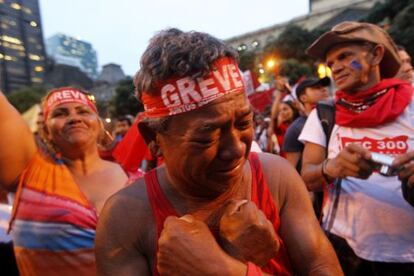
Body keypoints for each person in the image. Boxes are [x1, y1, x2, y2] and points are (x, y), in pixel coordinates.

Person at [95, 28, 342, 276]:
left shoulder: (276, 177)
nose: (236, 149)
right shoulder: (126, 218)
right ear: (154, 138)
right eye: (206, 136)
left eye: (244, 123)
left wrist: (224, 269)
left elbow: (323, 268)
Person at [299, 21, 414, 275]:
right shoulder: (324, 114)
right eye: (330, 63)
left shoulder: (411, 105)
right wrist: (333, 167)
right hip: (347, 252)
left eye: (345, 56)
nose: (336, 68)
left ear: (376, 55)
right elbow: (306, 177)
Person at [0, 87, 128, 275]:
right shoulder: (31, 174)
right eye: (60, 113)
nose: (74, 118)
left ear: (99, 124)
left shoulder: (137, 178)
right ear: (46, 130)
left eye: (83, 111)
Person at [282, 77, 331, 170]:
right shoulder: (295, 129)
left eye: (323, 87)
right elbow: (291, 169)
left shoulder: (332, 119)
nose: (324, 89)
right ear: (303, 98)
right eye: (316, 87)